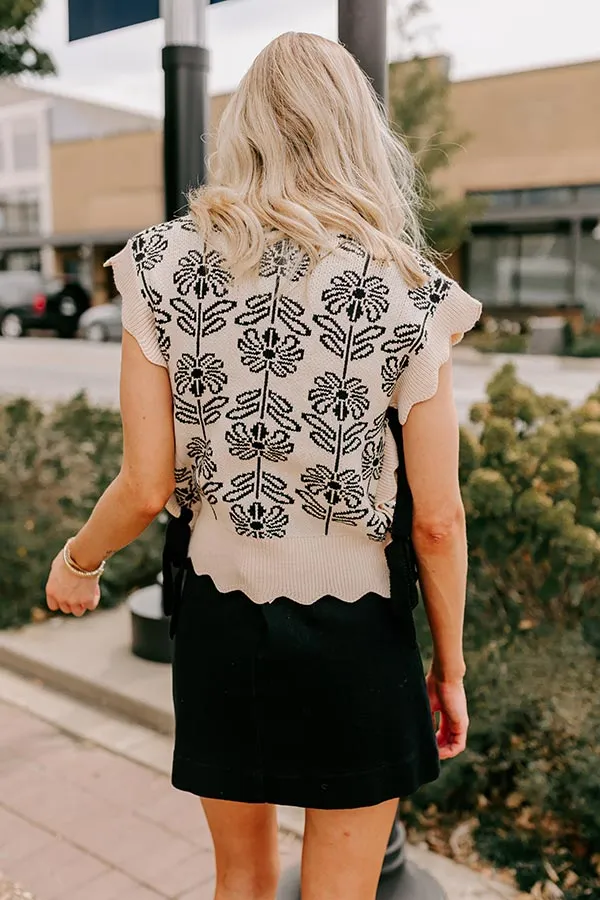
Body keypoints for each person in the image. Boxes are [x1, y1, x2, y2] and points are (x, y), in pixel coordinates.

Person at [45, 31, 481, 900]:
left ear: (242, 129)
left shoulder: (162, 266)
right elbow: (437, 519)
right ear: (358, 133)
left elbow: (143, 485)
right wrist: (450, 668)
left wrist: (78, 561)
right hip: (359, 633)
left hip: (221, 619)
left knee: (238, 879)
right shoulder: (409, 289)